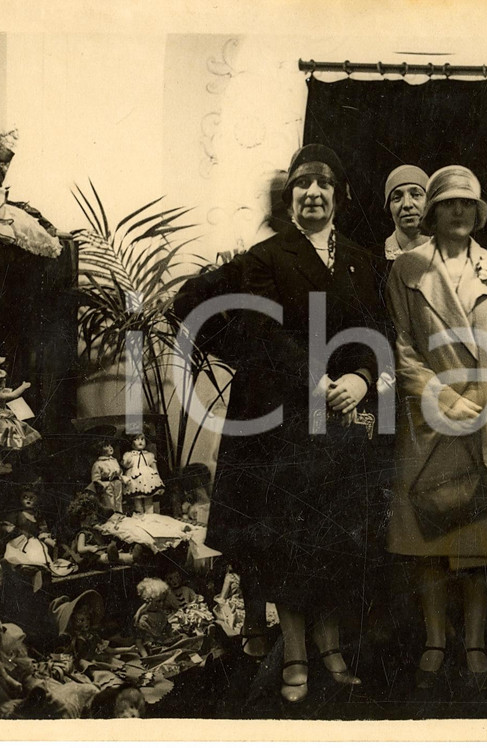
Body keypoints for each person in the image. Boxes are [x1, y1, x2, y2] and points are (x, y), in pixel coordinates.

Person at [204, 144, 387, 703]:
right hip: (279, 415)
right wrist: (317, 380)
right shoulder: (263, 258)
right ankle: (298, 653)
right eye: (303, 186)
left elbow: (377, 331)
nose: (314, 193)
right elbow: (263, 333)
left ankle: (331, 648)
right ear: (290, 199)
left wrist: (359, 378)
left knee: (333, 534)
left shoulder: (362, 260)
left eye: (324, 185)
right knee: (289, 537)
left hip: (340, 416)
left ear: (340, 196)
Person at [385, 165, 487, 688]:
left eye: (469, 203)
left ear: (480, 210)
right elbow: (401, 348)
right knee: (430, 536)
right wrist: (441, 395)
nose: (460, 211)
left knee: (477, 541)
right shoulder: (406, 269)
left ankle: (472, 641)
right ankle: (433, 640)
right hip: (430, 419)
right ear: (433, 211)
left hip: (484, 418)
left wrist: (480, 395)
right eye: (450, 203)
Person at [383, 164, 431, 263]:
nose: (407, 204)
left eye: (416, 195)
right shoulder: (373, 258)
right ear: (389, 207)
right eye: (397, 198)